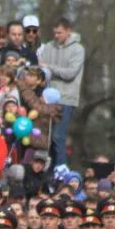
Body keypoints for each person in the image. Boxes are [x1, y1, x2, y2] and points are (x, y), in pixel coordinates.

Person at [38, 17, 84, 167]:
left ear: (68, 31)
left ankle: (61, 169)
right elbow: (41, 68)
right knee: (48, 137)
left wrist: (49, 67)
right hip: (48, 99)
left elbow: (70, 73)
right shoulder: (49, 47)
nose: (56, 36)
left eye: (60, 33)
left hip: (66, 98)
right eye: (54, 33)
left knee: (58, 136)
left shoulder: (78, 49)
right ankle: (50, 169)